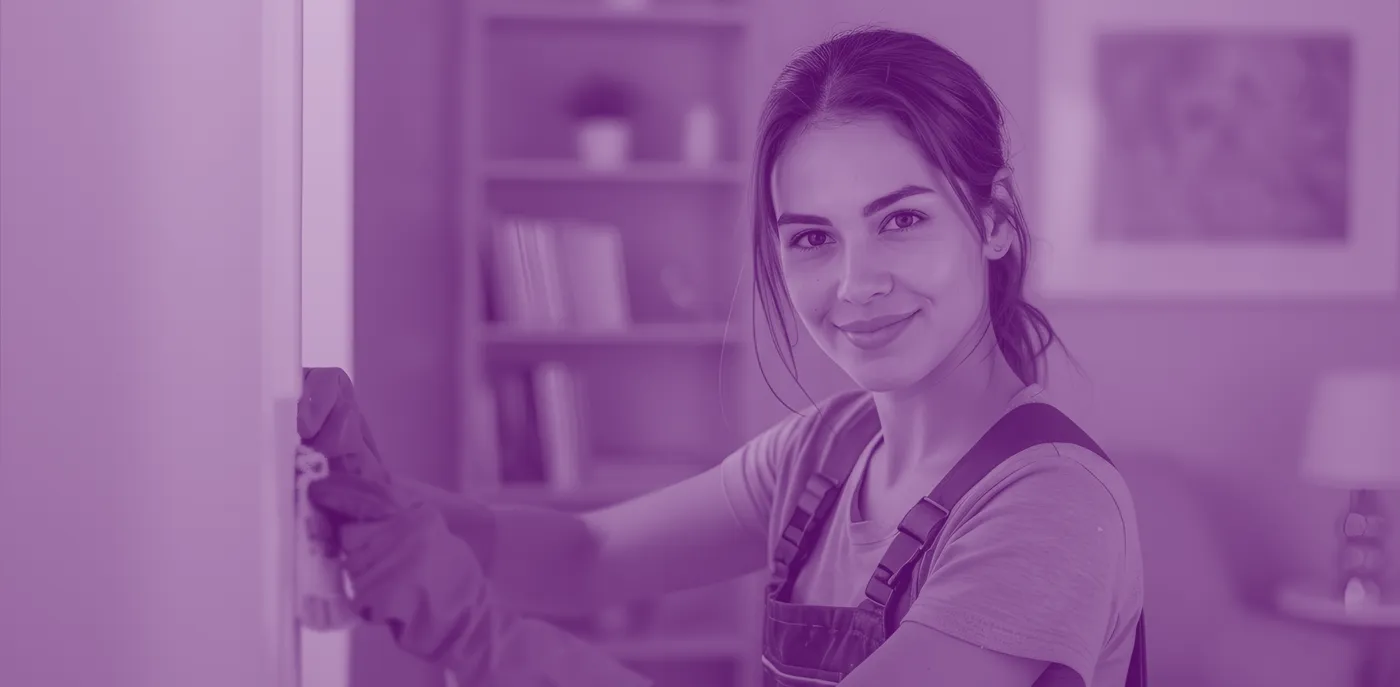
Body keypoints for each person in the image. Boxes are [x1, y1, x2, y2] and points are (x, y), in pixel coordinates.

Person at [302, 26, 1145, 687]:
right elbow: (584, 555)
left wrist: (470, 635)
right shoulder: (825, 451)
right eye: (814, 237)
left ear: (994, 219)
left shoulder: (1050, 502)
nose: (855, 284)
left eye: (901, 220)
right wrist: (371, 498)